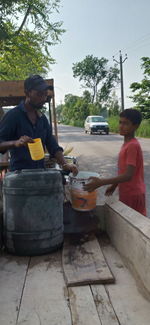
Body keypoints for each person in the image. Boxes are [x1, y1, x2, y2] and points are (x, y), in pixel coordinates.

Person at [0, 75, 78, 175]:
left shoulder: (42, 119)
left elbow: (52, 144)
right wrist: (15, 142)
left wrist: (64, 164)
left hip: (40, 175)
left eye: (45, 94)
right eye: (39, 94)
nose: (43, 98)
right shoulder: (13, 116)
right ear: (27, 93)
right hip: (19, 178)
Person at [84, 109, 146, 216]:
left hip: (133, 194)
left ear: (136, 126)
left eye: (126, 123)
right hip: (126, 192)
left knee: (135, 227)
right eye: (120, 122)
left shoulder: (132, 146)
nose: (121, 126)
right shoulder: (126, 144)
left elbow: (128, 175)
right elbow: (123, 171)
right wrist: (114, 185)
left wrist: (101, 182)